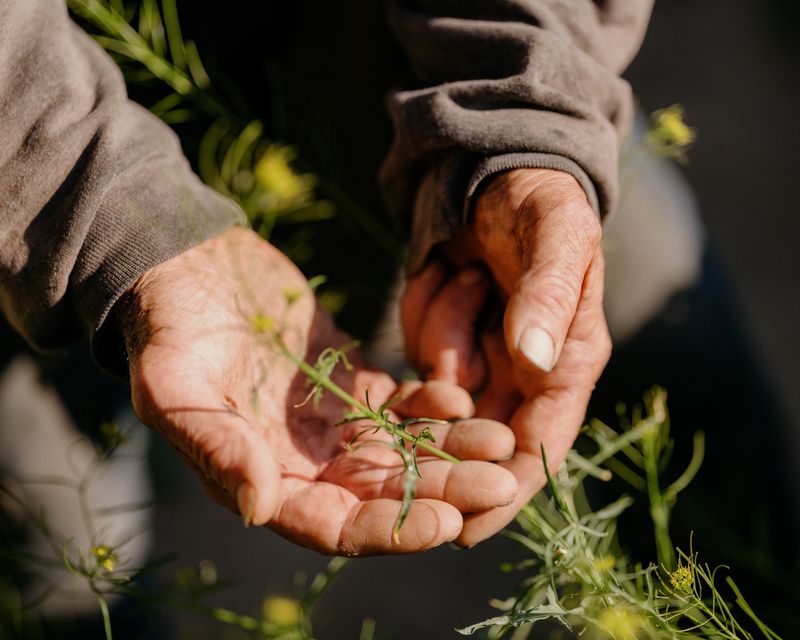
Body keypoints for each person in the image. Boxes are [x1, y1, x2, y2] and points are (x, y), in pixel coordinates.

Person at [0, 0, 653, 555]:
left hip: (447, 108)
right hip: (32, 175)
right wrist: (102, 212)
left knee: (670, 323)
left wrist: (524, 125)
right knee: (62, 539)